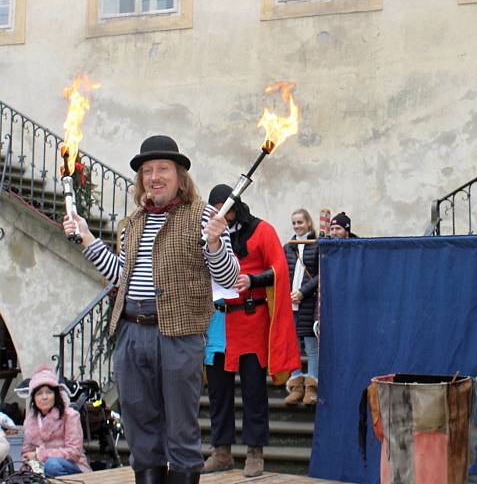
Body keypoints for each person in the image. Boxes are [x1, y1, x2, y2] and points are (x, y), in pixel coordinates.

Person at [62, 135, 239, 484]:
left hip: (179, 333)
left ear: (180, 176)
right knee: (139, 425)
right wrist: (85, 237)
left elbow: (229, 277)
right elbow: (121, 276)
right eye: (147, 171)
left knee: (180, 425)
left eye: (162, 169)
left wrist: (216, 243)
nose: (154, 177)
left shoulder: (205, 216)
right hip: (130, 330)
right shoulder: (132, 223)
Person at [202, 185, 300, 476]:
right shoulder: (207, 234)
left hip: (251, 322)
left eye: (228, 208)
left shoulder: (262, 231)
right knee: (218, 393)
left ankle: (255, 453)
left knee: (254, 391)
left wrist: (254, 280)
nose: (225, 214)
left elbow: (280, 269)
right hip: (218, 322)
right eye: (218, 208)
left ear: (237, 207)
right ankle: (221, 451)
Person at [20, 365, 91, 476]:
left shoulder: (70, 416)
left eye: (48, 392)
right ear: (33, 398)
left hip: (71, 466)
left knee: (52, 465)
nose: (44, 397)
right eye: (39, 394)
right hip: (39, 469)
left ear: (55, 395)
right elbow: (26, 453)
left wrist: (40, 455)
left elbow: (74, 452)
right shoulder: (30, 420)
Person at [283, 209, 320, 406]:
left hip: (308, 302)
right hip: (290, 303)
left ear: (308, 223)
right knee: (293, 346)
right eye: (294, 223)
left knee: (311, 346)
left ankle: (311, 386)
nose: (297, 226)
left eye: (300, 222)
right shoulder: (288, 247)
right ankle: (296, 385)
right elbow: (282, 272)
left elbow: (321, 274)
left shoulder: (316, 246)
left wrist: (303, 292)